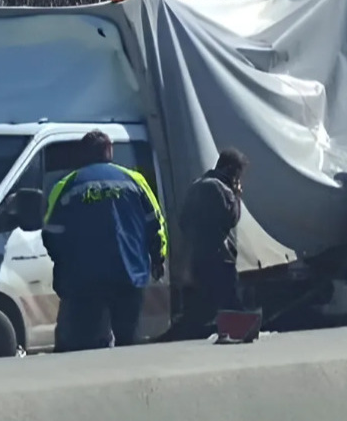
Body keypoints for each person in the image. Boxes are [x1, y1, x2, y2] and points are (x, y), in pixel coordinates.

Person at [42, 130, 167, 352]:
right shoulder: (135, 181)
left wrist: (64, 265)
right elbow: (156, 225)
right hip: (130, 273)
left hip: (85, 279)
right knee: (129, 340)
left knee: (86, 345)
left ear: (83, 154)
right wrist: (158, 257)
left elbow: (51, 234)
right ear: (109, 151)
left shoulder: (67, 185)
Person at [179, 148, 247, 316]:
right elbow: (231, 219)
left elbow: (183, 221)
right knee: (230, 303)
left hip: (197, 257)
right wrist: (237, 196)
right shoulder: (223, 189)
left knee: (203, 306)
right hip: (220, 256)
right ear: (231, 169)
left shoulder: (196, 185)